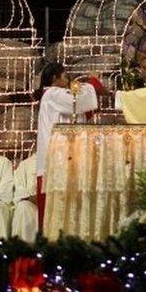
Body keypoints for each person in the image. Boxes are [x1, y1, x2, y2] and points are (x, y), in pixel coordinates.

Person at [34, 63, 104, 230]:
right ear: (54, 79)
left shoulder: (58, 95)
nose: (68, 80)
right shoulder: (52, 93)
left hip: (69, 157)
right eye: (65, 76)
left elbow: (82, 109)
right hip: (56, 161)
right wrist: (92, 81)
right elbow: (78, 101)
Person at [11, 152, 38, 243]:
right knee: (23, 207)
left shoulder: (59, 161)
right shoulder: (26, 164)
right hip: (32, 203)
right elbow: (19, 186)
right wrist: (30, 197)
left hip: (53, 203)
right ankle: (25, 251)